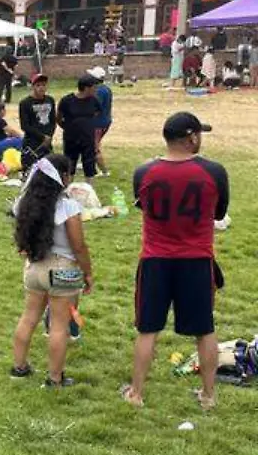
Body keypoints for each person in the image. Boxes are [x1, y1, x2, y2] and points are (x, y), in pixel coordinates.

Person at [123, 113, 228, 410]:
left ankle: (137, 393)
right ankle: (208, 396)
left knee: (148, 329)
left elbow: (144, 207)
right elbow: (219, 214)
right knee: (204, 329)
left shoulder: (144, 172)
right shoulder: (214, 171)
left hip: (155, 260)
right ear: (192, 137)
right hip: (196, 261)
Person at [9, 154, 92, 388]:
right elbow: (79, 246)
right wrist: (88, 272)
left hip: (33, 267)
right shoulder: (68, 207)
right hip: (62, 269)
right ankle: (55, 378)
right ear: (63, 177)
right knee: (59, 326)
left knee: (28, 318)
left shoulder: (23, 204)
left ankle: (19, 367)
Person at [56, 75, 102, 180]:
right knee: (69, 165)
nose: (96, 90)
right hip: (71, 139)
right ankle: (68, 189)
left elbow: (96, 115)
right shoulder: (67, 101)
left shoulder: (94, 101)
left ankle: (89, 190)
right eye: (94, 87)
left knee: (89, 166)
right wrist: (67, 127)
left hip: (88, 138)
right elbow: (58, 117)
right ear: (86, 88)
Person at [19, 74, 56, 172]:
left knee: (50, 170)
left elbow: (53, 120)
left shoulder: (50, 100)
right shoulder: (25, 103)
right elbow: (24, 125)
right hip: (32, 140)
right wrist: (42, 137)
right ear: (33, 86)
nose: (41, 88)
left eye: (44, 85)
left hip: (47, 140)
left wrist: (49, 136)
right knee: (31, 170)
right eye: (38, 85)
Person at [87, 67, 113, 176]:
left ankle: (104, 171)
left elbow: (95, 109)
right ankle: (89, 162)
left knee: (94, 147)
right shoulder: (106, 89)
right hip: (105, 121)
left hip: (98, 123)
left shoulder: (99, 91)